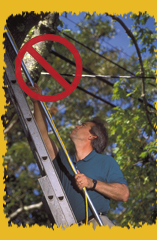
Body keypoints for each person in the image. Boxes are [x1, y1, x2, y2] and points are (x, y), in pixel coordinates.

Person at [28, 83, 129, 229]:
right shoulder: (63, 161)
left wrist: (92, 183)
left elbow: (123, 193)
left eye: (82, 125)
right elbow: (42, 135)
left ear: (92, 136)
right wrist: (37, 102)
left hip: (97, 226)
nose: (76, 126)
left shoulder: (105, 162)